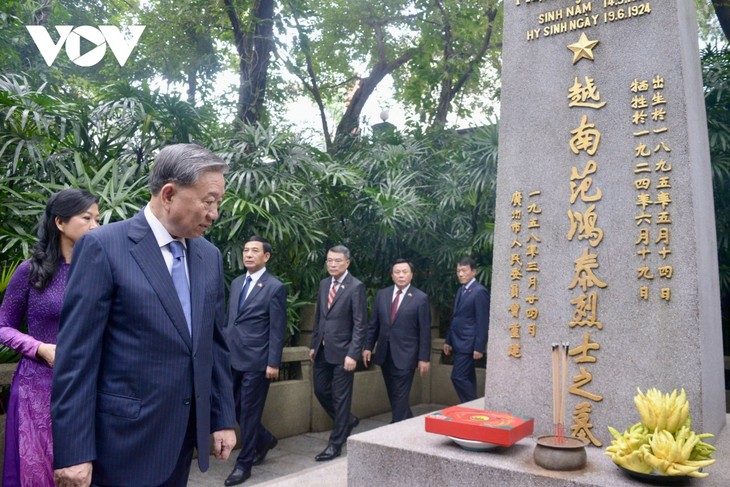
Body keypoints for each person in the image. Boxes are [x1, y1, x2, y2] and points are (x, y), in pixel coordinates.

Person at [51, 144, 237, 487]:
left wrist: (222, 417)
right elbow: (77, 357)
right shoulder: (105, 247)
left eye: (218, 204)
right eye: (208, 201)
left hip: (181, 442)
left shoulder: (208, 256)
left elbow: (214, 344)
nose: (214, 214)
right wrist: (74, 451)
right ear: (168, 194)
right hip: (121, 444)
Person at [0, 189, 99, 487]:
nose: (96, 226)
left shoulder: (99, 271)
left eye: (98, 218)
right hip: (36, 388)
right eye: (87, 218)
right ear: (60, 222)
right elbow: (3, 325)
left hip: (88, 384)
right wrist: (39, 348)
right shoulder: (30, 272)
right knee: (38, 473)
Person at [224, 235, 287, 486]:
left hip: (257, 361)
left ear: (266, 257)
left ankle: (244, 464)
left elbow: (277, 328)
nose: (248, 254)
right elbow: (231, 320)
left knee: (249, 413)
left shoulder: (275, 287)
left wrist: (273, 362)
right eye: (246, 250)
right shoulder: (238, 282)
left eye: (254, 251)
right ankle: (265, 439)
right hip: (232, 357)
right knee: (235, 408)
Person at [309, 245, 367, 461]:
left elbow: (361, 324)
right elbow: (319, 317)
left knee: (342, 398)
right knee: (321, 390)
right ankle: (348, 421)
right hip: (323, 350)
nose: (332, 264)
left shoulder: (356, 287)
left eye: (337, 261)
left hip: (344, 353)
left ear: (347, 263)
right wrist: (314, 344)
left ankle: (336, 443)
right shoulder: (325, 284)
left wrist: (354, 354)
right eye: (329, 260)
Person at [363, 258, 431, 423]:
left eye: (405, 272)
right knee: (394, 393)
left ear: (411, 275)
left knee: (400, 394)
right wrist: (367, 347)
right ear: (392, 275)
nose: (401, 275)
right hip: (385, 354)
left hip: (407, 355)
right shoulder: (382, 295)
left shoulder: (420, 298)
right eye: (397, 272)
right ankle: (408, 421)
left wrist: (424, 358)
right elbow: (374, 325)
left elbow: (425, 331)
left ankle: (395, 430)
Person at [443, 257, 490, 403]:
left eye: (464, 270)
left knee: (458, 376)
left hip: (468, 343)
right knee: (468, 377)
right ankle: (469, 409)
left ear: (474, 271)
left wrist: (479, 347)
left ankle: (473, 406)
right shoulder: (461, 290)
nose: (460, 274)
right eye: (458, 271)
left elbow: (482, 321)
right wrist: (448, 340)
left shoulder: (479, 291)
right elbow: (456, 317)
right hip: (458, 341)